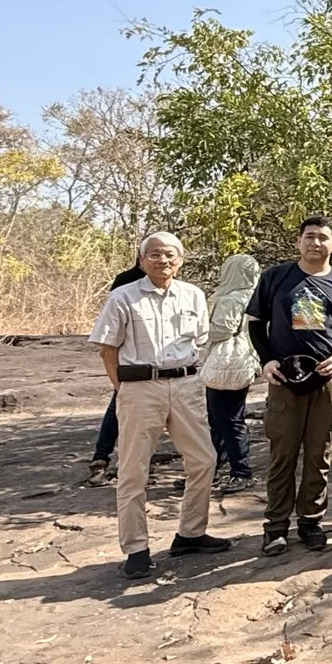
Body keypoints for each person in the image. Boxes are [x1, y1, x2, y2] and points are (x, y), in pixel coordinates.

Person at [87, 232, 231, 578]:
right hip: (140, 388)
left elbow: (199, 340)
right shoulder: (123, 297)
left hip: (185, 385)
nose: (162, 260)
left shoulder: (193, 295)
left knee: (204, 460)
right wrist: (123, 389)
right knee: (134, 469)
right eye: (153, 254)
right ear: (141, 261)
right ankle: (136, 548)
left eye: (169, 255)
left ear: (180, 260)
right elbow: (107, 350)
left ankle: (191, 534)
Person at [246, 215, 332, 555]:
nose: (316, 243)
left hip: (328, 380)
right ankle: (275, 527)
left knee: (320, 455)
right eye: (309, 236)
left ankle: (311, 522)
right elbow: (256, 323)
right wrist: (267, 360)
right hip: (285, 378)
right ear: (299, 241)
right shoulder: (276, 277)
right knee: (282, 455)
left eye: (323, 238)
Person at [84, 254, 150, 487]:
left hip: (147, 362)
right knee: (120, 407)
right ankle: (104, 460)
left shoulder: (162, 283)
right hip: (130, 362)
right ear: (142, 258)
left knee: (130, 412)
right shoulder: (127, 283)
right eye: (154, 254)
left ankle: (107, 460)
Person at [200, 253, 261, 494]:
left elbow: (222, 329)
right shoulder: (255, 296)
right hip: (242, 360)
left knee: (225, 419)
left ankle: (240, 471)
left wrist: (199, 329)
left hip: (225, 364)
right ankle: (215, 468)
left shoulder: (231, 299)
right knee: (224, 418)